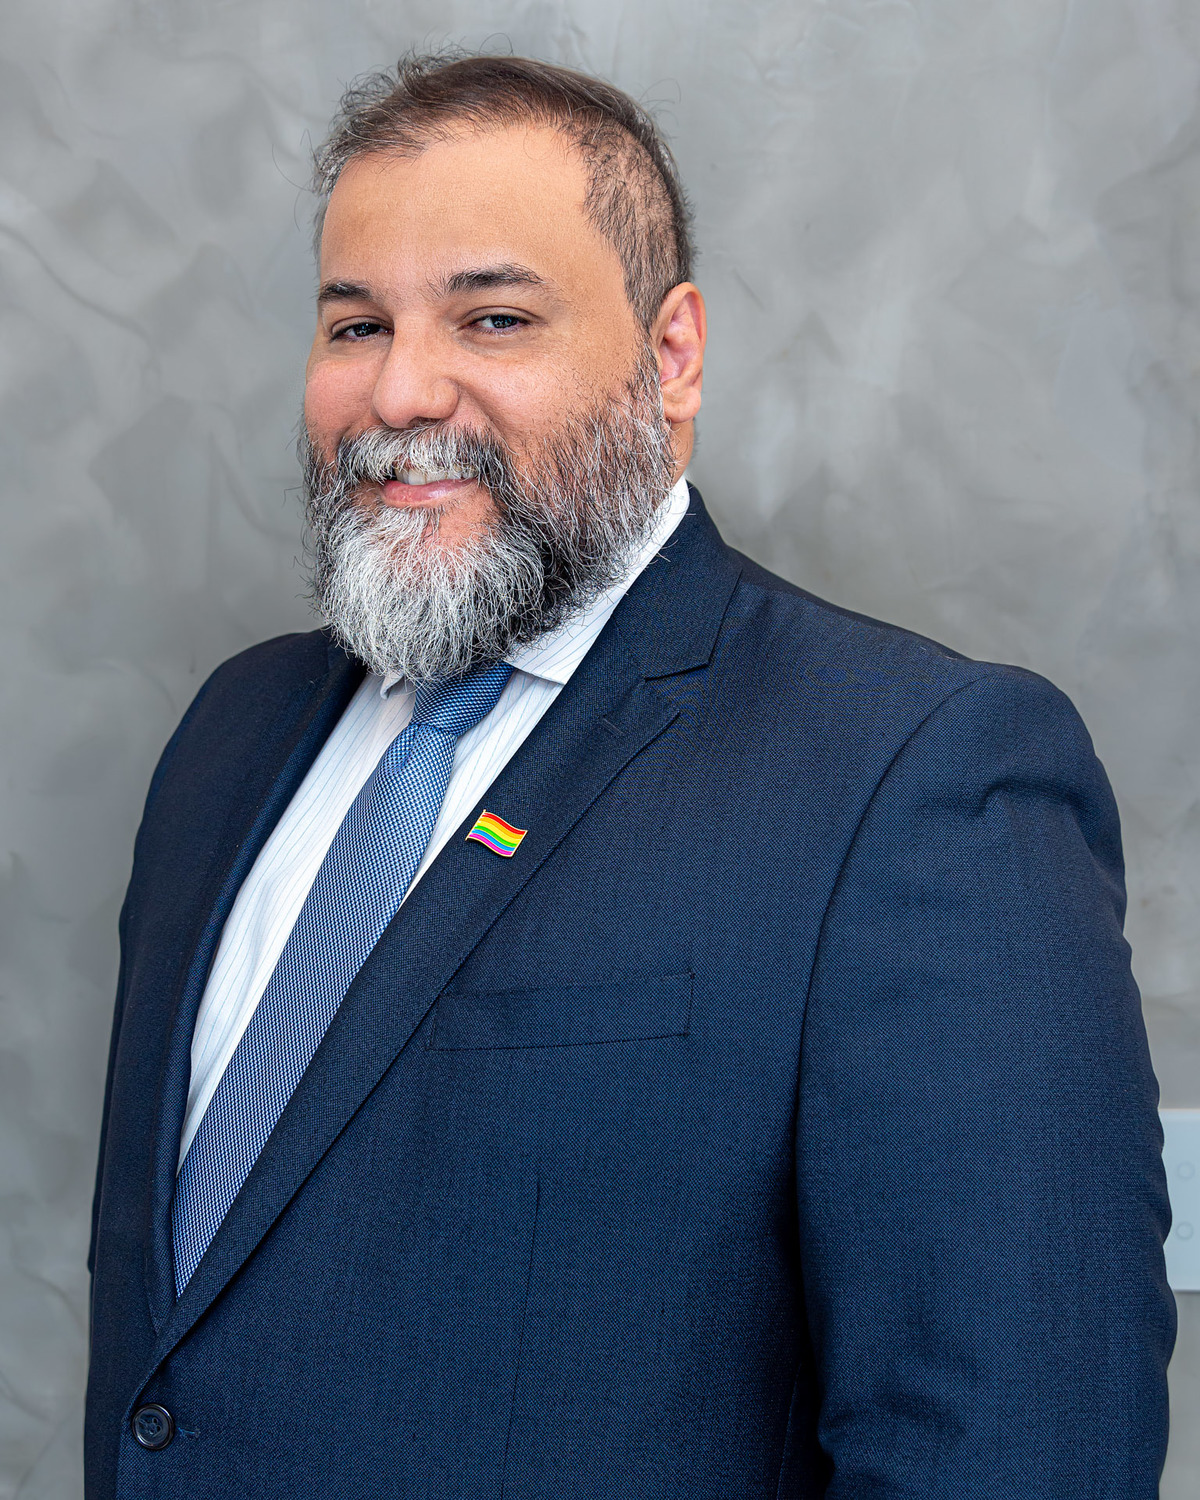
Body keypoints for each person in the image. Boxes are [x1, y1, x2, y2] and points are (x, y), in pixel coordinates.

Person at [85, 51, 1175, 1500]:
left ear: (671, 358)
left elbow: (1014, 1452)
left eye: (494, 316)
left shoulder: (913, 778)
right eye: (357, 324)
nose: (402, 389)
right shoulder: (234, 736)